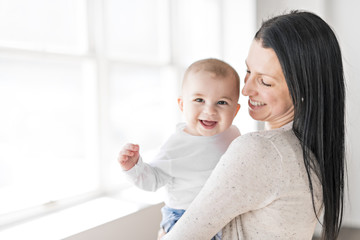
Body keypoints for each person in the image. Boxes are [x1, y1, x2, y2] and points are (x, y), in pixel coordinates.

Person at [161, 10, 346, 240]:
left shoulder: (259, 150)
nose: (246, 89)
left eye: (265, 82)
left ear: (303, 90)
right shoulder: (314, 154)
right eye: (248, 71)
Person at [118, 58, 241, 240]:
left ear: (236, 110)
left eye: (221, 102)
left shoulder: (233, 134)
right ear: (182, 105)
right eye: (199, 100)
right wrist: (133, 166)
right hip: (184, 217)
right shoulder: (176, 145)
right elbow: (153, 180)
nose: (210, 110)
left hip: (222, 217)